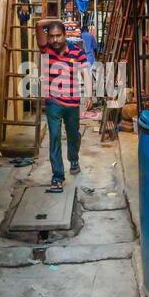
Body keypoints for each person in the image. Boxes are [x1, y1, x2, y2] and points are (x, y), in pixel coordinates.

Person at [36, 19, 92, 193]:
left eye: (58, 36)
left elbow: (85, 73)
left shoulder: (77, 52)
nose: (55, 40)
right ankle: (57, 177)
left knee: (72, 135)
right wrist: (57, 21)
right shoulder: (46, 49)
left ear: (65, 35)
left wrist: (89, 94)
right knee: (54, 137)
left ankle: (73, 159)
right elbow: (38, 25)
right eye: (51, 36)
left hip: (72, 102)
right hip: (53, 101)